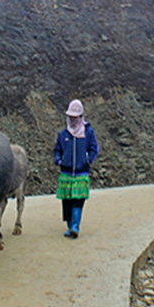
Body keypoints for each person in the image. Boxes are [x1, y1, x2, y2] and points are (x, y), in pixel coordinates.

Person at [53, 99, 99, 238]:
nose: (73, 120)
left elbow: (94, 148)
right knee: (67, 201)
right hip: (66, 173)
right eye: (70, 117)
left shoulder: (88, 133)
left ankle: (75, 226)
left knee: (78, 200)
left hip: (81, 173)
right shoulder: (63, 134)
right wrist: (59, 161)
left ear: (80, 116)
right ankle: (69, 226)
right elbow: (57, 150)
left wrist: (88, 160)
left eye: (75, 117)